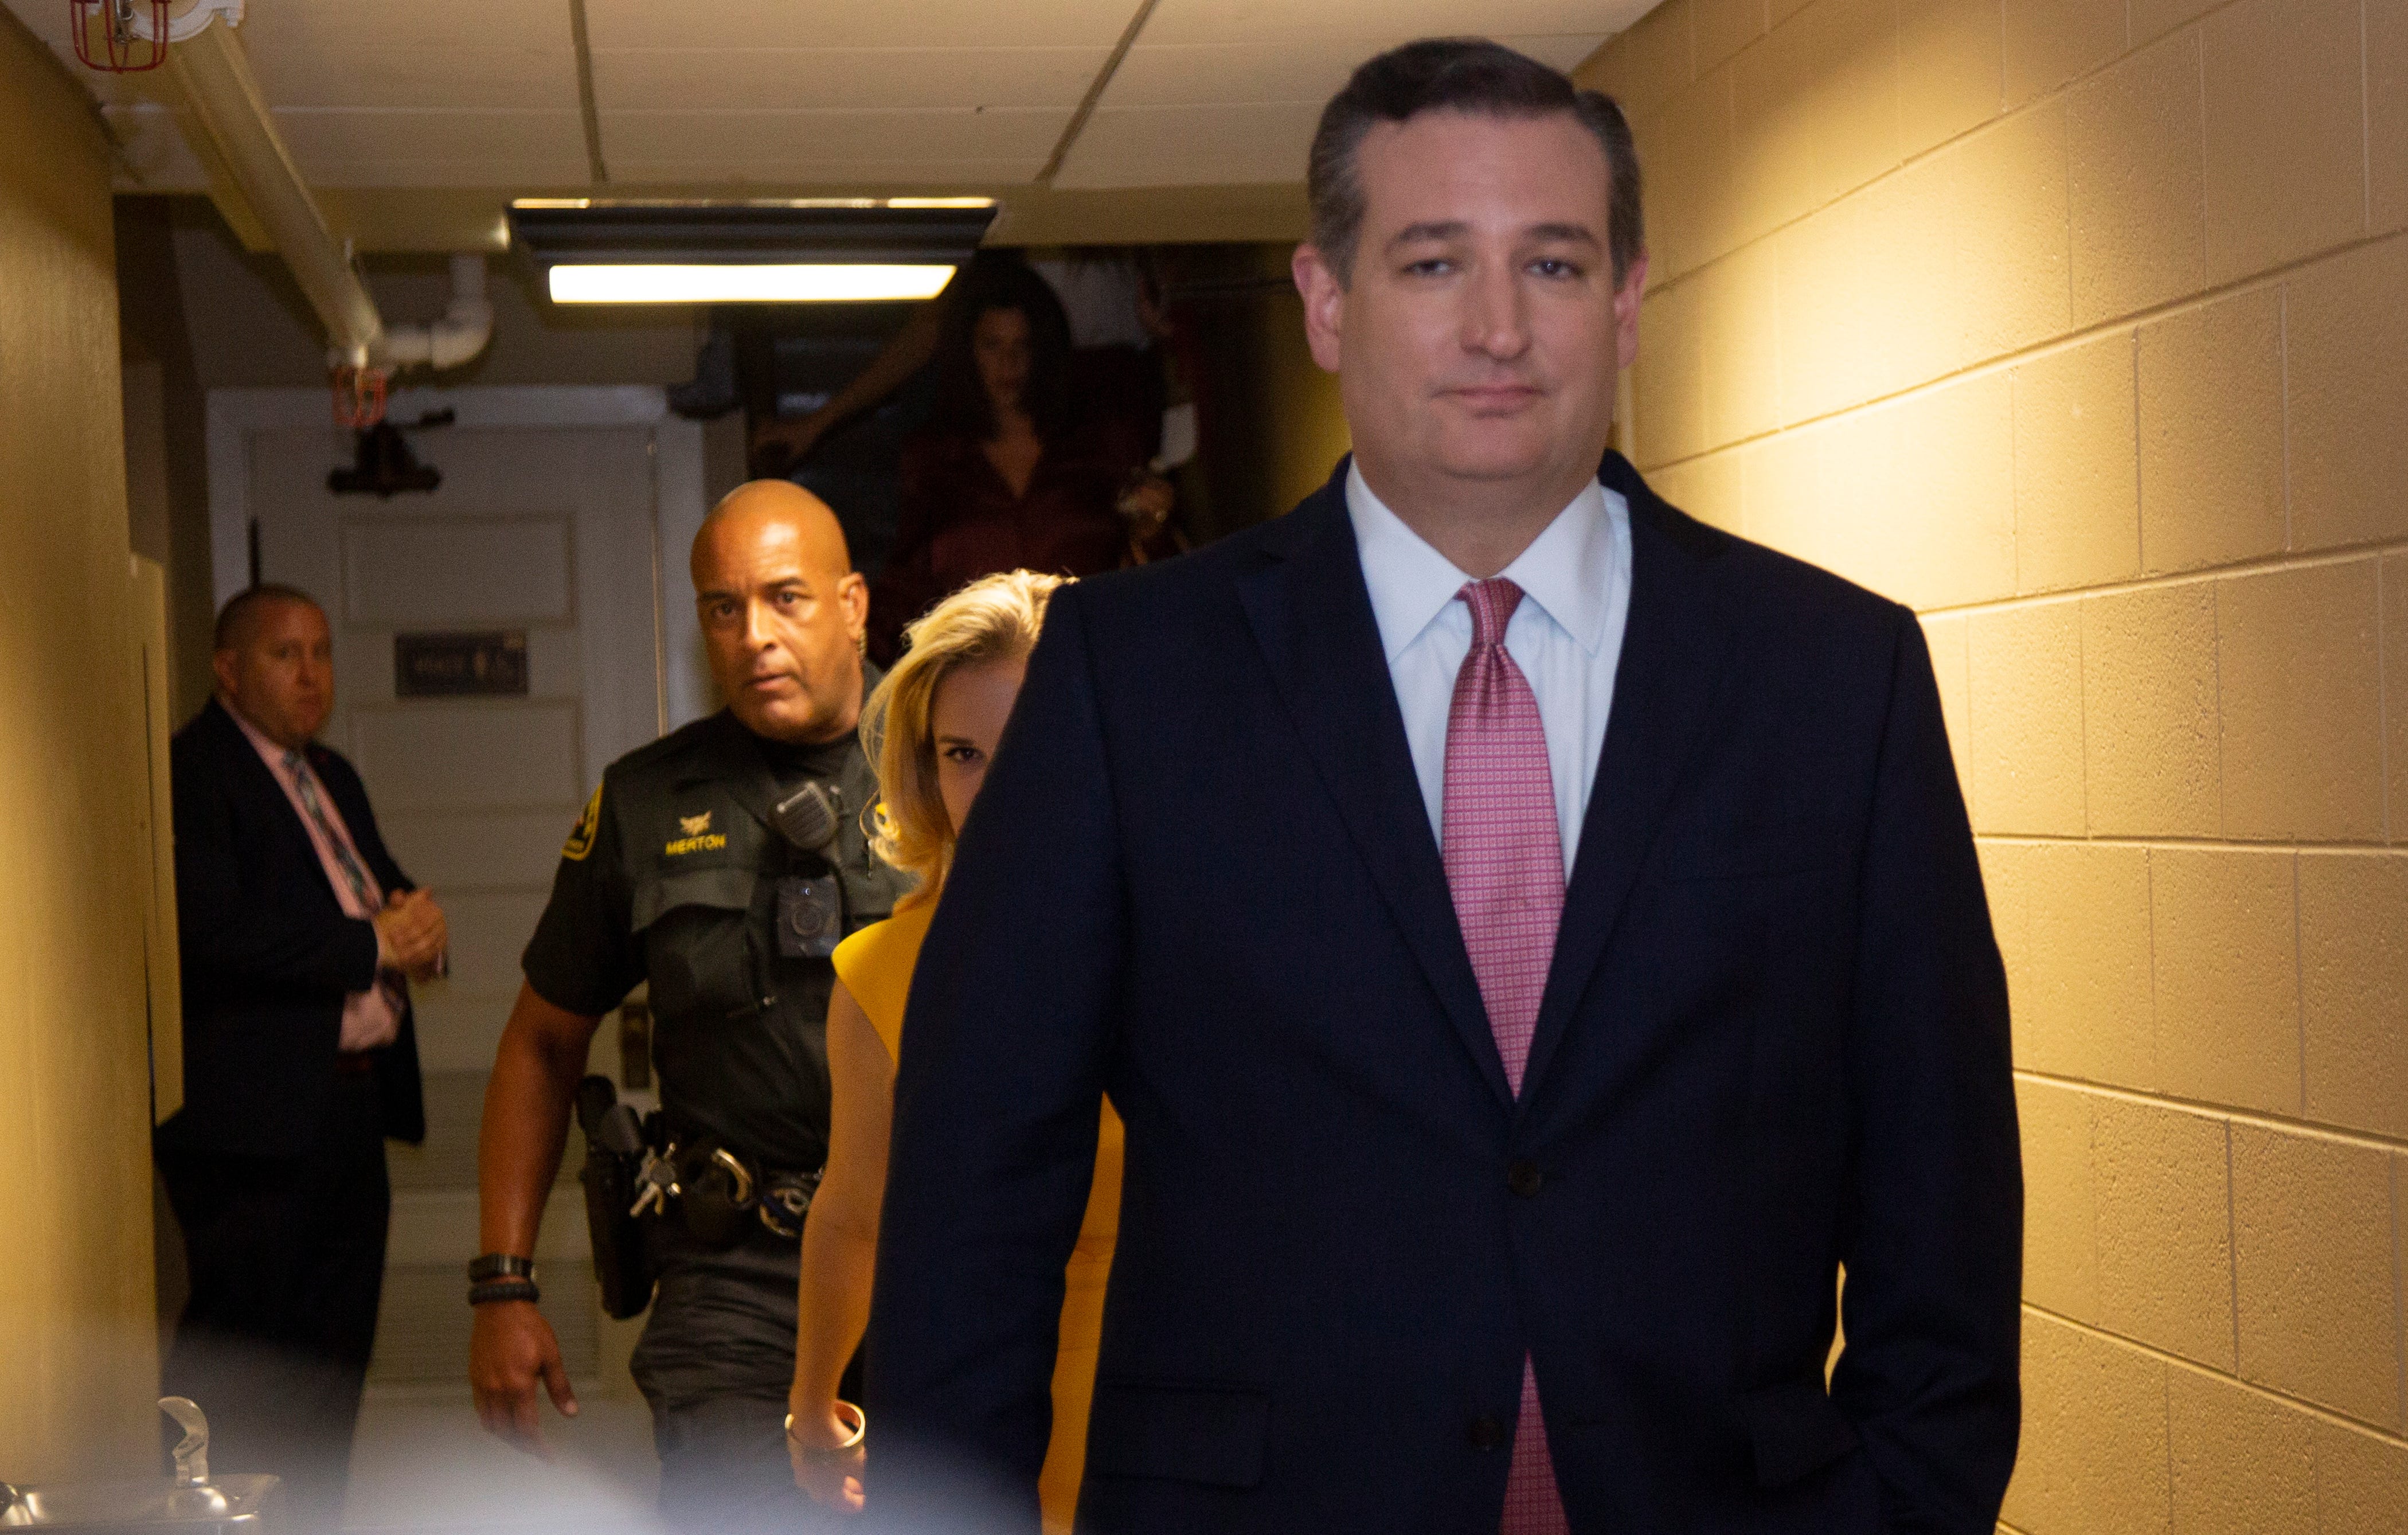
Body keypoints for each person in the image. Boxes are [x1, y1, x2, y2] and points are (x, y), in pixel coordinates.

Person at [863, 38, 2022, 1535]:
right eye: (1431, 264)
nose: (1497, 328)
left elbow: (1945, 1200)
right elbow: (974, 1206)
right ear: (1328, 303)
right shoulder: (1128, 680)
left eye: (1551, 263)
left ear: (1624, 300)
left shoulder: (1831, 678)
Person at [468, 481, 912, 1531]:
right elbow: (541, 1043)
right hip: (739, 1274)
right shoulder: (647, 802)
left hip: (938, 1254)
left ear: (853, 603)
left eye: (788, 598)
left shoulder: (959, 763)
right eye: (724, 607)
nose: (756, 635)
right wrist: (502, 1283)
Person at [786, 571, 1118, 1533]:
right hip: (967, 1441)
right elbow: (853, 1212)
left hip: (1182, 1426)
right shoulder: (884, 974)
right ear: (928, 771)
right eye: (963, 753)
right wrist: (814, 1409)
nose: (998, 785)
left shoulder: (1201, 946)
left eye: (1031, 746)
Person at [157, 583, 445, 1532]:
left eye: (321, 651)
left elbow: (379, 895)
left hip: (349, 1112)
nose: (312, 673)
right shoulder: (194, 774)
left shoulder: (330, 775)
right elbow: (215, 935)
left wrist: (420, 928)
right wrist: (373, 944)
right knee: (248, 1364)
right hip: (252, 1126)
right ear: (228, 668)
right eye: (286, 655)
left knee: (332, 1362)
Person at [867, 258, 1173, 663]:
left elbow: (1158, 575)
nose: (1007, 364)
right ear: (968, 351)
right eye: (992, 345)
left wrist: (1153, 526)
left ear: (1043, 351)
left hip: (1090, 665)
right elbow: (903, 589)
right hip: (974, 676)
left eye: (1022, 345)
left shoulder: (1101, 445)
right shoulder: (933, 460)